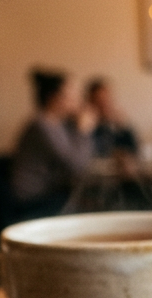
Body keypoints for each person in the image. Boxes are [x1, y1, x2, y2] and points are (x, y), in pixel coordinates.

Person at [10, 69, 96, 218]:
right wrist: (83, 131)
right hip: (33, 199)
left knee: (94, 202)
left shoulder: (59, 125)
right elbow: (77, 166)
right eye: (73, 95)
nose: (79, 100)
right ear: (55, 98)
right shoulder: (42, 126)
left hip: (51, 193)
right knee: (93, 209)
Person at [83, 77, 138, 159]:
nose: (105, 104)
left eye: (108, 99)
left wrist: (124, 128)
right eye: (100, 100)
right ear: (90, 101)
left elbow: (134, 151)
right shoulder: (84, 126)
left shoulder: (116, 124)